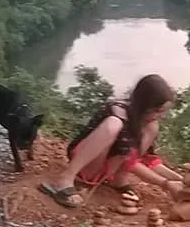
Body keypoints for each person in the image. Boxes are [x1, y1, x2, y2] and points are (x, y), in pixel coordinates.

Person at [40, 74, 182, 208]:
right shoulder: (116, 112)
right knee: (113, 124)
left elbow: (144, 161)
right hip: (89, 162)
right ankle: (65, 179)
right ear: (144, 105)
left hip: (108, 170)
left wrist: (180, 180)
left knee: (152, 127)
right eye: (158, 111)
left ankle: (119, 180)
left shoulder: (148, 125)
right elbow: (134, 164)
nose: (161, 116)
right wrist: (166, 184)